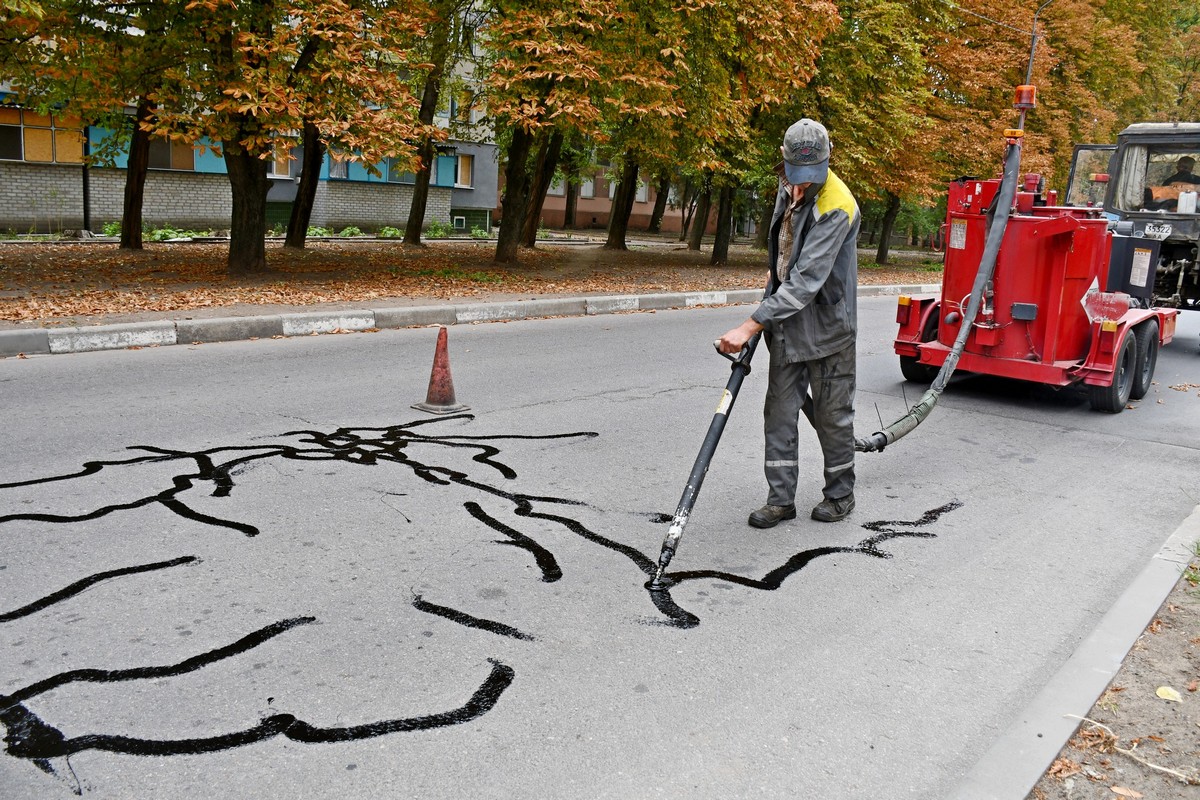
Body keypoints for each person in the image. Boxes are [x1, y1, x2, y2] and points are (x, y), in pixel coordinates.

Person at [717, 118, 860, 528]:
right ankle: (780, 499)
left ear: (826, 162)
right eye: (796, 176)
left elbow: (806, 282)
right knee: (779, 412)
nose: (801, 184)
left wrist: (750, 325)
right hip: (788, 327)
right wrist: (769, 291)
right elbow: (782, 258)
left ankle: (840, 494)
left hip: (829, 327)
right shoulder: (786, 186)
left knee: (833, 417)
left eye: (809, 176)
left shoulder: (837, 204)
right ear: (785, 162)